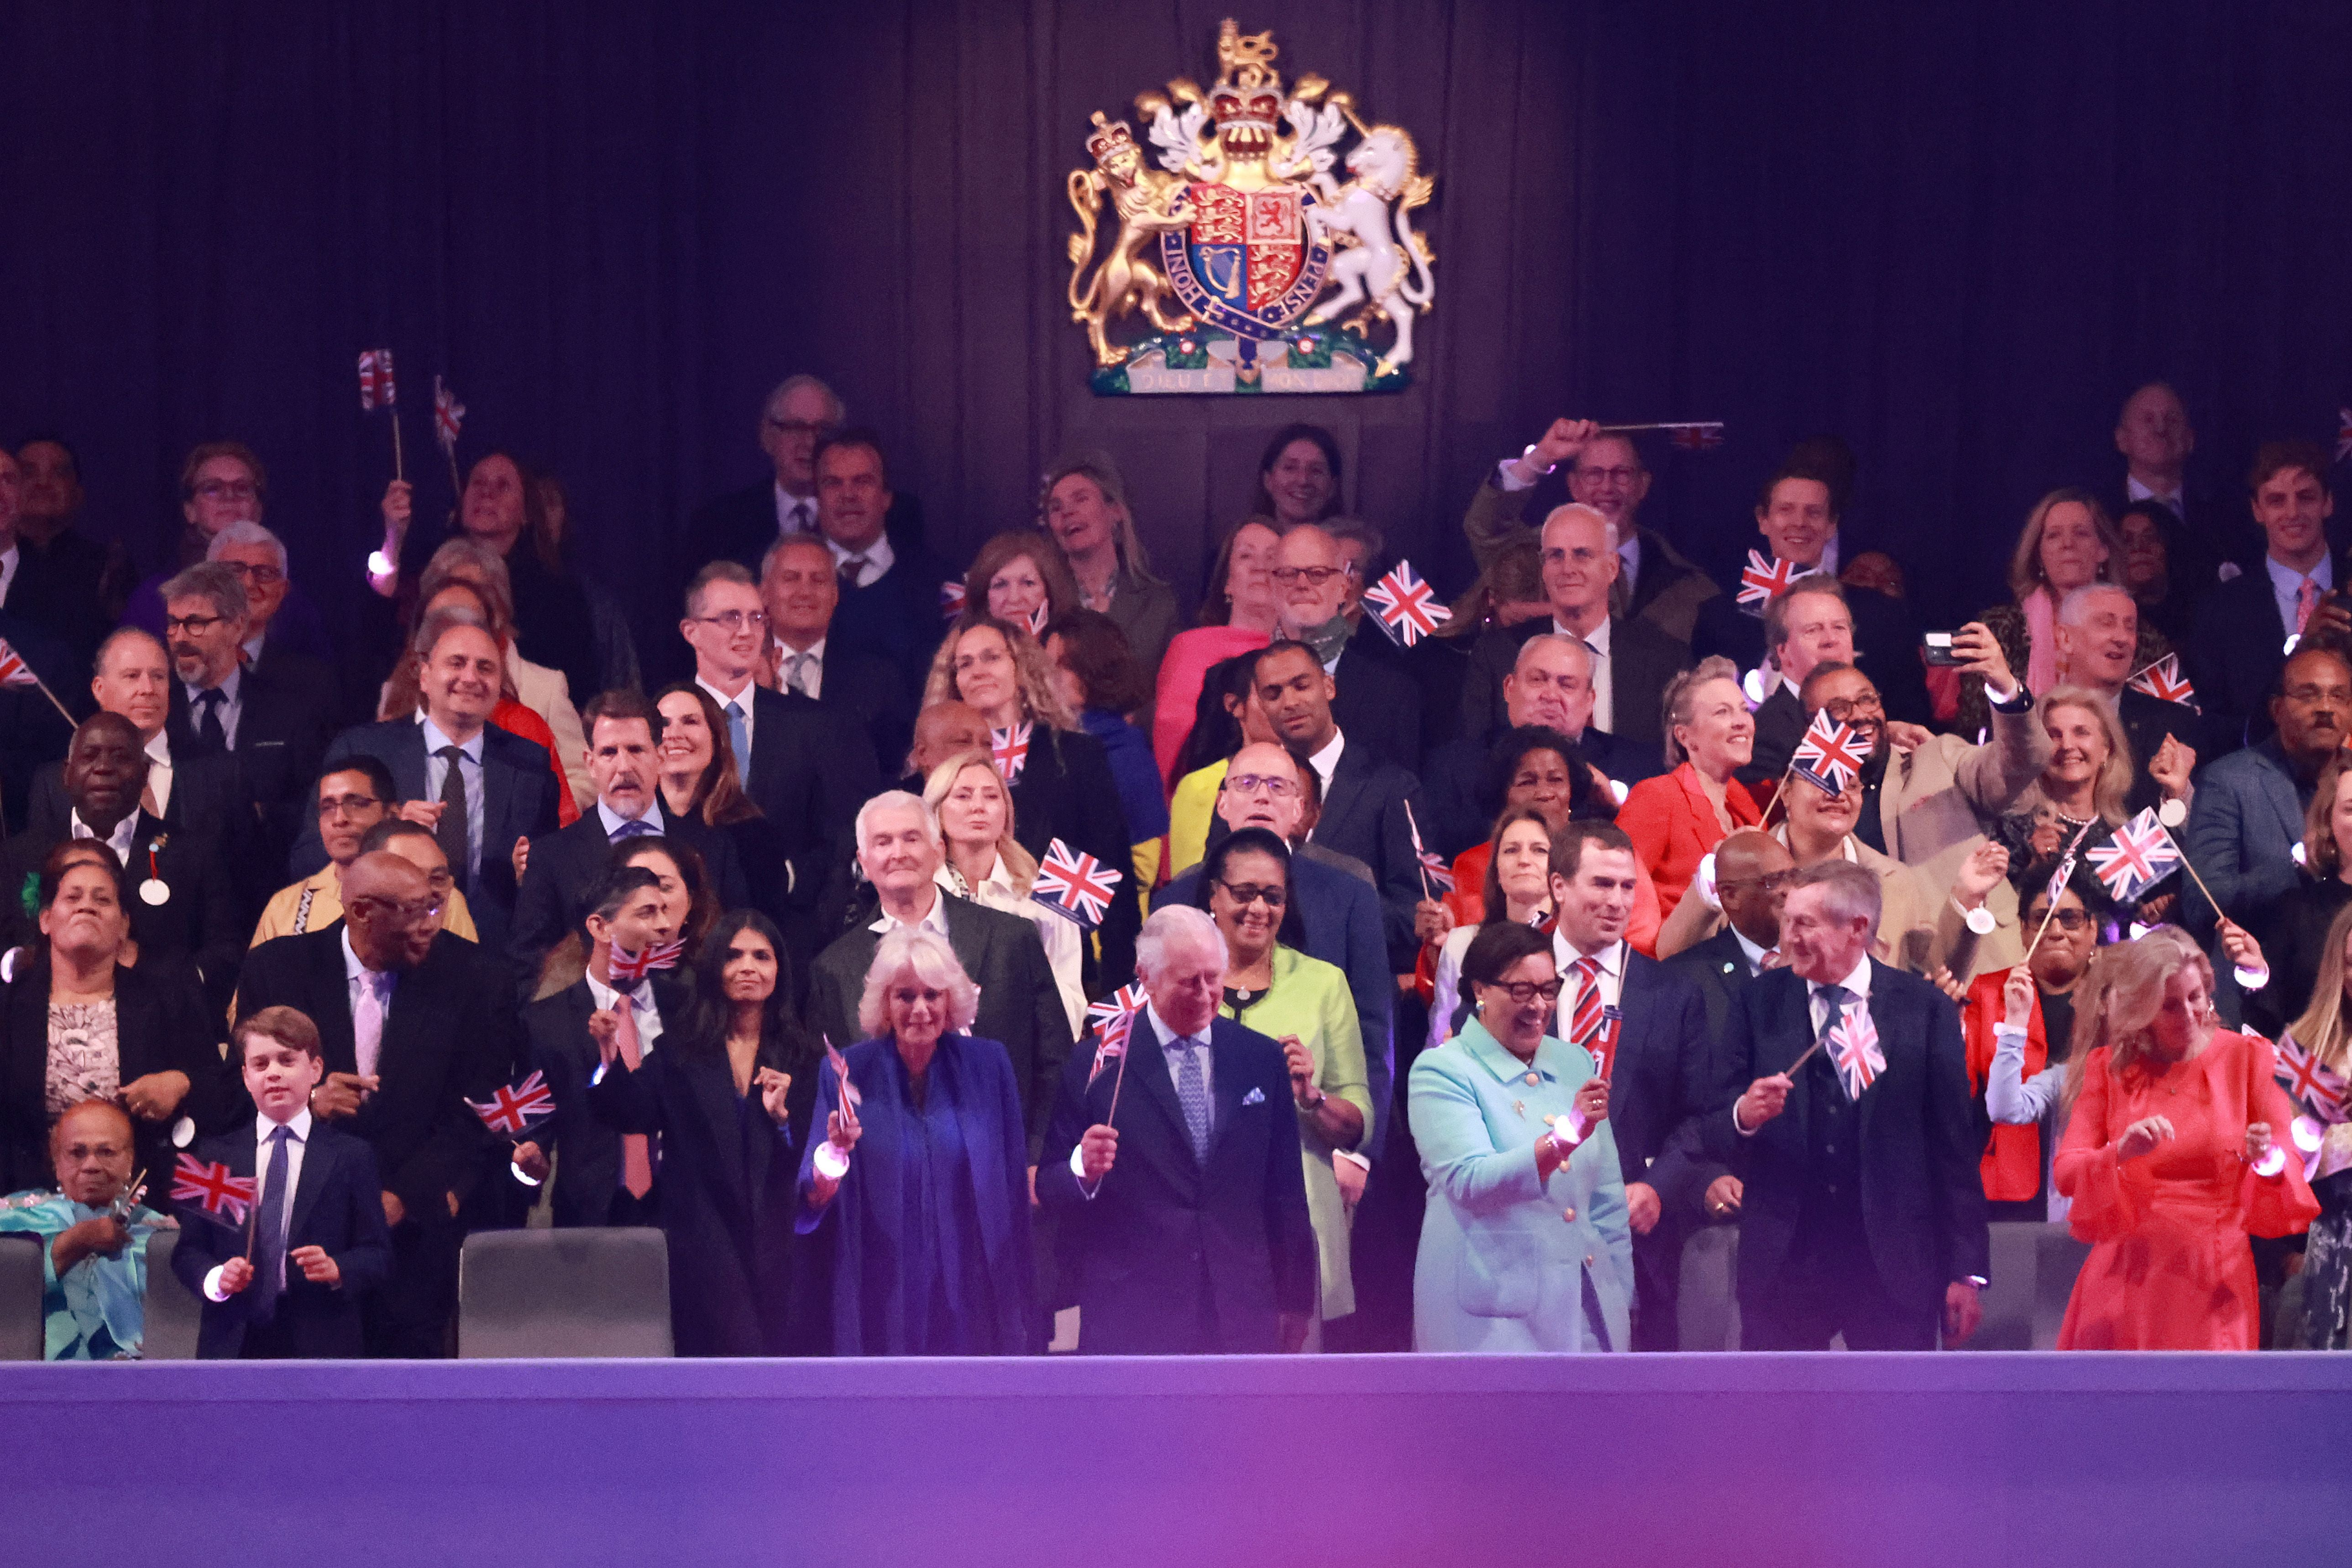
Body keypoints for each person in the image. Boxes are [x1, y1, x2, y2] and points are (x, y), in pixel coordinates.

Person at [235, 851, 517, 1357]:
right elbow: (239, 1090)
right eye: (414, 911)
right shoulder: (278, 969)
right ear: (363, 911)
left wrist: (402, 1198)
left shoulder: (474, 977)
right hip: (302, 1240)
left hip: (413, 1239)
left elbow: (479, 1108)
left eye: (435, 908)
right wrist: (310, 1100)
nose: (431, 925)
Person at [1707, 860, 1989, 1349]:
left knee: (1893, 1422)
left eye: (1804, 924)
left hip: (1893, 1267)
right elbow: (1711, 1114)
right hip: (1786, 1264)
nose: (1787, 936)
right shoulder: (1756, 1003)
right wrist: (1743, 1116)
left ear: (1856, 928)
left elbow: (1952, 1151)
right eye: (1785, 920)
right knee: (1779, 1423)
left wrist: (1965, 1273)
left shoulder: (1922, 1011)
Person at [1040, 905, 1317, 1353]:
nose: (1207, 995)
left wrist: (1296, 1301)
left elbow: (1284, 1191)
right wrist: (1082, 1168)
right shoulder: (1096, 1064)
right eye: (1190, 981)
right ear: (1145, 977)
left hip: (1241, 1310)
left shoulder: (1260, 1059)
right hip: (1132, 1315)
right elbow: (1052, 1184)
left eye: (1214, 977)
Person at [2053, 926, 2317, 1349]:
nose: (2189, 1014)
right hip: (2124, 1279)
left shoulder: (2249, 1059)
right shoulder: (2109, 1067)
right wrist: (2117, 1153)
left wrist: (2264, 1157)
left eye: (2195, 997)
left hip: (2214, 1280)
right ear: (2144, 1009)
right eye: (2169, 1006)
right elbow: (2066, 1170)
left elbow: (2289, 1161)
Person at [798, 927, 1039, 1355]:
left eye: (933, 995)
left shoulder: (990, 1065)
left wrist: (1024, 1300)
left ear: (951, 1003)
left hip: (974, 1289)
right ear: (885, 1005)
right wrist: (834, 1151)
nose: (921, 1009)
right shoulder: (847, 1071)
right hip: (884, 1293)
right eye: (905, 996)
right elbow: (815, 1196)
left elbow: (1013, 1191)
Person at [585, 909, 814, 1356]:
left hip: (781, 1247)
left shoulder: (803, 1056)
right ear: (715, 970)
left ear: (779, 971)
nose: (748, 967)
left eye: (761, 957)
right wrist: (608, 1055)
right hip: (702, 1247)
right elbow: (630, 1113)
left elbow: (814, 1159)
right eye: (733, 956)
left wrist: (783, 1120)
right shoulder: (680, 1052)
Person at [806, 794, 1072, 1165]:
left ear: (938, 850)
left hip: (1001, 1169)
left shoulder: (1012, 939)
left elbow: (1055, 1059)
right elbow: (835, 1090)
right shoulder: (834, 969)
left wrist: (1037, 1161)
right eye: (883, 842)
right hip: (892, 1182)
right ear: (864, 863)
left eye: (911, 838)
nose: (898, 852)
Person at [1157, 741, 1393, 1155]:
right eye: (1247, 783)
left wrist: (1358, 1155)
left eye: (1278, 786)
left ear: (1300, 810)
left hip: (1318, 1144)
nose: (1262, 795)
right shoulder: (1176, 896)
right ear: (1223, 803)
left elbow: (1373, 1037)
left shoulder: (1350, 891)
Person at [1538, 820, 1720, 1349]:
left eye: (1626, 887)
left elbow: (1698, 1114)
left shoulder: (1673, 991)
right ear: (1558, 887)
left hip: (1640, 1239)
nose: (1617, 901)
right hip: (1531, 1229)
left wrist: (1656, 1188)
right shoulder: (1512, 977)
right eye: (1600, 884)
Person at [1408, 920, 1629, 1351]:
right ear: (1480, 990)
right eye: (1521, 991)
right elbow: (1470, 1182)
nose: (1539, 1006)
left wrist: (1619, 1293)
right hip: (1490, 1321)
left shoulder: (1574, 1061)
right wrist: (1566, 1136)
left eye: (1549, 989)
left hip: (1587, 1313)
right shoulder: (1442, 1070)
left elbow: (1606, 1197)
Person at [302, 607, 564, 959]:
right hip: (389, 952)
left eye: (485, 667)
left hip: (496, 962)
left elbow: (544, 883)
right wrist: (383, 834)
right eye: (456, 663)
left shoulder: (530, 763)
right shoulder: (363, 750)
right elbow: (306, 857)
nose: (470, 677)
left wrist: (528, 875)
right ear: (424, 676)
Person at [1194, 829, 1372, 1342]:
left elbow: (1357, 1121)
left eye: (1272, 896)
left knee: (1289, 1412)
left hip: (1293, 1229)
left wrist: (1311, 1097)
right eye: (1243, 893)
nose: (1258, 908)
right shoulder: (1177, 980)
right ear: (1213, 894)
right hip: (1199, 1232)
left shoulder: (1324, 983)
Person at [0, 844, 229, 1191]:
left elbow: (225, 1094)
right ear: (46, 919)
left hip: (145, 1198)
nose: (87, 905)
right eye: (73, 896)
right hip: (27, 1203)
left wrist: (181, 1084)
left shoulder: (167, 1000)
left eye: (103, 899)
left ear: (123, 926)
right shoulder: (10, 1005)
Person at [921, 615, 1137, 981]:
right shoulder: (938, 765)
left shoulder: (1077, 754)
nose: (978, 671)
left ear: (1021, 667)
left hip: (1058, 953)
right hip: (954, 953)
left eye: (991, 657)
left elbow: (1109, 863)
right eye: (965, 663)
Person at [171, 1007, 394, 1360]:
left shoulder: (352, 1156)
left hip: (323, 1341)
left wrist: (338, 1268)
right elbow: (187, 1252)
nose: (273, 1073)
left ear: (316, 1070)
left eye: (287, 1061)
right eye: (260, 1064)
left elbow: (378, 1254)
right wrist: (216, 1279)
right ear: (245, 1076)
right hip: (233, 1340)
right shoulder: (212, 1156)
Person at [0, 713, 242, 1018]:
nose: (103, 768)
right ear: (67, 773)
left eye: (121, 757)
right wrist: (19, 964)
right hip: (39, 1027)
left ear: (143, 774)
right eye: (89, 756)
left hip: (162, 1032)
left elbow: (225, 954)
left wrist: (157, 978)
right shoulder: (19, 856)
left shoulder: (193, 853)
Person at [680, 561, 876, 923]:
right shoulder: (662, 719)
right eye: (729, 618)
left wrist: (792, 880)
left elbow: (843, 832)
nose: (746, 631)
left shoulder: (814, 724)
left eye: (756, 618)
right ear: (691, 632)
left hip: (787, 934)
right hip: (683, 932)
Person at [510, 691, 748, 986]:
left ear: (660, 758)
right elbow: (529, 969)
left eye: (636, 750)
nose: (623, 767)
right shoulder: (551, 858)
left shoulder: (713, 847)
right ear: (590, 763)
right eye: (609, 752)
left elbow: (736, 945)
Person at [1691, 464, 1930, 726]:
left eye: (1813, 512)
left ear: (1831, 526)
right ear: (1763, 521)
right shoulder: (1718, 619)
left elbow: (1912, 718)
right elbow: (1699, 714)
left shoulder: (1881, 617)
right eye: (1786, 510)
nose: (1799, 523)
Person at [518, 865, 690, 1229]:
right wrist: (529, 1166)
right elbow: (534, 1136)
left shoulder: (689, 1011)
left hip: (682, 1217)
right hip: (587, 1222)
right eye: (647, 912)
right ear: (600, 927)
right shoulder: (547, 1022)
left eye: (665, 910)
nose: (664, 925)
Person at [373, 451, 610, 712]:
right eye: (478, 483)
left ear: (526, 513)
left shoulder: (559, 595)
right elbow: (383, 643)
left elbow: (579, 684)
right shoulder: (432, 570)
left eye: (502, 486)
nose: (487, 494)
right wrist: (394, 538)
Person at [2183, 646, 2352, 998]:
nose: (2325, 708)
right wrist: (2298, 865)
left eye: (2338, 696)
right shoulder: (2228, 781)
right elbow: (2202, 900)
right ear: (2276, 709)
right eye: (2308, 695)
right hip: (2263, 994)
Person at [1460, 418, 1720, 644]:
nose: (1607, 487)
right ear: (1574, 486)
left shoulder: (1689, 588)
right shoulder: (1532, 558)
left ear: (1643, 485)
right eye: (1595, 474)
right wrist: (1541, 458)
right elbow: (1486, 529)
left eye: (1622, 473)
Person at [1251, 640, 1428, 969]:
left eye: (1301, 685)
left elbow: (1412, 913)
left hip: (1355, 986)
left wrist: (1328, 906)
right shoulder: (1243, 787)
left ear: (1328, 686)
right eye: (1273, 694)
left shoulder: (1391, 787)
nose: (1289, 702)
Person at [1460, 503, 1684, 751]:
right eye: (1556, 555)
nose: (1568, 569)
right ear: (1544, 569)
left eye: (1582, 554)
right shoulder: (1498, 653)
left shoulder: (1665, 659)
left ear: (1612, 567)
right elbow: (1475, 756)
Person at [388, 538, 591, 810]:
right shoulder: (393, 695)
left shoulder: (538, 700)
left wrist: (520, 812)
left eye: (468, 610)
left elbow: (580, 780)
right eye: (444, 617)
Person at [678, 374, 925, 595]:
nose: (809, 443)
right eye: (795, 428)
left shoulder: (896, 515)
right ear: (767, 436)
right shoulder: (719, 523)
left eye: (823, 430)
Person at [1421, 634, 1660, 859]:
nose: (1551, 695)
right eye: (1538, 680)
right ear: (1508, 688)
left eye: (1567, 685)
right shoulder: (1452, 767)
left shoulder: (1636, 767)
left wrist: (1615, 808)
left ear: (1590, 701)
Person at [161, 560, 338, 863]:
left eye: (195, 623)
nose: (179, 637)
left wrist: (255, 812)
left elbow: (313, 808)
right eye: (173, 623)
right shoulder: (157, 712)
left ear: (237, 627)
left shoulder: (291, 713)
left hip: (266, 882)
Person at [1954, 489, 2162, 742]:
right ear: (2039, 555)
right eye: (2053, 536)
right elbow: (1973, 725)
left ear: (2103, 550)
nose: (2067, 544)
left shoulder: (2139, 635)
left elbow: (2170, 723)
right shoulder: (1997, 630)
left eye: (2081, 533)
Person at [1967, 869, 2111, 1222]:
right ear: (2023, 929)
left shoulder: (2117, 997)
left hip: (2096, 1182)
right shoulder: (1988, 993)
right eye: (2041, 918)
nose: (2056, 930)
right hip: (2006, 1188)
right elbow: (1962, 1093)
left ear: (2093, 928)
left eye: (2071, 918)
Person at [1766, 767, 2001, 981]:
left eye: (1851, 786)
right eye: (1823, 781)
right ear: (1785, 792)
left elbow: (1931, 973)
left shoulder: (1895, 881)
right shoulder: (1743, 871)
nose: (1838, 795)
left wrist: (1966, 898)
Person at [2191, 441, 2350, 742]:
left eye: (2305, 497)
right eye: (2277, 500)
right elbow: (2214, 727)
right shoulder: (2220, 612)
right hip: (2262, 775)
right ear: (2257, 510)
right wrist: (2302, 648)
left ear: (2327, 502)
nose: (2292, 513)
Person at [123, 442, 336, 665]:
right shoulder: (155, 599)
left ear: (259, 509)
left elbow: (318, 682)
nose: (229, 496)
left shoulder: (288, 601)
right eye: (212, 488)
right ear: (190, 511)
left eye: (243, 488)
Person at [26, 627, 241, 845]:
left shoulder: (218, 772)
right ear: (99, 689)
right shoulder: (53, 785)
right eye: (132, 676)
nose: (148, 689)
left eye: (158, 677)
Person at [924, 749, 1085, 1036]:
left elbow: (1069, 993)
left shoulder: (1046, 895)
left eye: (991, 796)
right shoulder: (920, 895)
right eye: (963, 796)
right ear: (937, 809)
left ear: (1006, 810)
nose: (979, 806)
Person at [0, 1101, 169, 1359]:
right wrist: (73, 1243)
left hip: (141, 1383)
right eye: (77, 1153)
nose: (91, 1165)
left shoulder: (162, 1236)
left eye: (107, 1152)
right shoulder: (13, 1219)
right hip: (33, 1382)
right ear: (57, 1161)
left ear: (130, 1161)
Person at [252, 759, 484, 945]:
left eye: (357, 803)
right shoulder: (287, 906)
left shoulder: (440, 898)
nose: (340, 819)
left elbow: (467, 985)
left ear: (391, 814)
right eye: (328, 808)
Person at [808, 430, 949, 699]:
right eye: (833, 483)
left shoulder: (938, 581)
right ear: (817, 499)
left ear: (887, 497)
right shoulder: (786, 584)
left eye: (862, 481)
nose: (848, 495)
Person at [757, 533, 909, 780]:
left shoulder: (877, 679)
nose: (805, 591)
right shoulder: (740, 672)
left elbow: (889, 770)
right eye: (791, 579)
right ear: (763, 592)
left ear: (836, 594)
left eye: (818, 580)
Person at [1043, 608, 1170, 901]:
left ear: (1094, 670)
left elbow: (1141, 868)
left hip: (1103, 937)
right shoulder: (1047, 749)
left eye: (1060, 665)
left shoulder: (1126, 756)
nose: (1046, 677)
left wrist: (1044, 891)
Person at [1273, 524, 1421, 772]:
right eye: (1289, 573)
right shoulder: (1235, 678)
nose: (1303, 583)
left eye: (1319, 573)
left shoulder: (1394, 690)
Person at [1620, 657, 1760, 918]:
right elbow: (1620, 891)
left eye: (1745, 710)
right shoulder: (1658, 797)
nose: (1742, 722)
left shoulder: (1747, 809)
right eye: (1723, 712)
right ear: (1685, 736)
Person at [1153, 518, 1280, 783]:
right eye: (1247, 556)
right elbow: (1171, 735)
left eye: (1273, 557)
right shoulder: (1189, 647)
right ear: (1227, 583)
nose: (1260, 567)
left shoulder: (1299, 655)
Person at [2277, 902, 2352, 1348]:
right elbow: (2281, 1172)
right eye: (2349, 965)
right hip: (2327, 1241)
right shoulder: (2304, 1047)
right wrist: (2313, 1128)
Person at [1037, 451, 1181, 684]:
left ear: (1116, 511)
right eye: (1056, 508)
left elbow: (1171, 689)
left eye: (1081, 499)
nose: (1068, 512)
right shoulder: (1041, 603)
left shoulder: (1159, 604)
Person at [1425, 807, 1555, 1052]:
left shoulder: (1571, 947)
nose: (1524, 860)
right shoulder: (1462, 943)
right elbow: (1439, 1039)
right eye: (1511, 850)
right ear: (1496, 871)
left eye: (1539, 850)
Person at [2247, 755, 2352, 1037]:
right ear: (2329, 820)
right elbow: (2269, 1019)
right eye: (2351, 810)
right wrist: (2256, 971)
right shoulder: (2297, 910)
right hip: (2316, 1070)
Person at [6, 435, 133, 666]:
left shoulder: (108, 566)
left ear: (78, 493)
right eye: (28, 473)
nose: (43, 484)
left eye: (59, 473)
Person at [2113, 381, 2250, 594]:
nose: (2160, 429)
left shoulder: (2226, 518)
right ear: (2122, 439)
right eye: (2148, 420)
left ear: (2190, 439)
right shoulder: (2099, 514)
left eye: (2172, 420)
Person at [961, 530, 1083, 637]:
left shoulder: (1075, 652)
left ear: (1050, 592)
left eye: (1028, 583)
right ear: (983, 597)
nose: (1014, 598)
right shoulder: (960, 653)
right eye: (1000, 585)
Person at [2116, 499, 2196, 650]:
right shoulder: (2107, 619)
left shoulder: (2199, 616)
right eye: (2127, 540)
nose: (2139, 548)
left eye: (2150, 538)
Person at [1252, 424, 1343, 530]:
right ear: (1268, 480)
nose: (1303, 480)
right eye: (1290, 468)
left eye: (1316, 471)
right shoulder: (1244, 542)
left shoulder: (1350, 545)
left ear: (1333, 486)